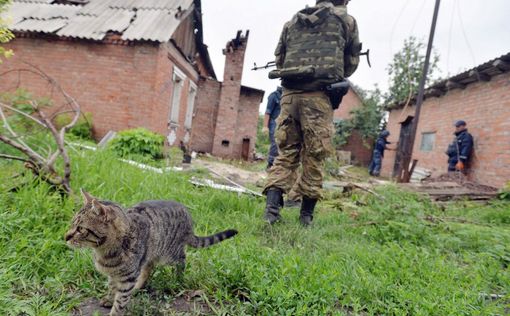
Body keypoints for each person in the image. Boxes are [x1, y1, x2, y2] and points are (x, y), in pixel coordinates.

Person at [263, 0, 361, 226]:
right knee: (315, 156)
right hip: (318, 97)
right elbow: (350, 63)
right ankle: (305, 217)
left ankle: (271, 212)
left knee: (285, 153)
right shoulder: (346, 21)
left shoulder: (292, 22)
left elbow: (280, 58)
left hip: (289, 96)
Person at [263, 87, 283, 170]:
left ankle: (278, 166)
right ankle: (270, 165)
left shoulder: (286, 96)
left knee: (282, 144)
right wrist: (265, 126)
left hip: (283, 124)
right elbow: (268, 112)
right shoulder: (274, 96)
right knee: (275, 143)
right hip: (273, 123)